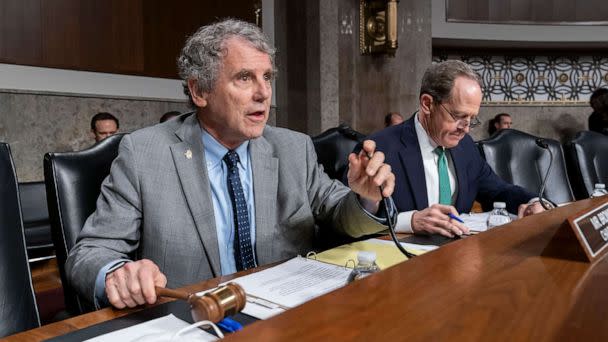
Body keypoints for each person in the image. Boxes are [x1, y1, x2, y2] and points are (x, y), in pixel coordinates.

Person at [66, 19, 395, 310]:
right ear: (199, 90)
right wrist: (116, 274)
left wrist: (365, 196)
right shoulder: (144, 153)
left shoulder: (294, 148)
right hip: (196, 321)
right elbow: (90, 253)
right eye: (244, 78)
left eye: (267, 77)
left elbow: (340, 214)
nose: (263, 92)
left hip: (290, 319)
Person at [353, 60, 546, 238]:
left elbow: (498, 190)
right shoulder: (380, 149)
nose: (466, 128)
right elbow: (349, 220)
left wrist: (533, 202)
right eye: (458, 116)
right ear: (427, 104)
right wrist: (409, 222)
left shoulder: (466, 147)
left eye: (472, 119)